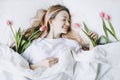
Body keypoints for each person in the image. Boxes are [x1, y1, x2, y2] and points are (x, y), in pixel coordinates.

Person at [21, 4, 98, 79]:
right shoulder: (35, 44)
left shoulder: (71, 44)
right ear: (51, 21)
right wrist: (41, 64)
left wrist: (92, 42)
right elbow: (21, 68)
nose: (68, 23)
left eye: (69, 21)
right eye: (64, 19)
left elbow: (87, 62)